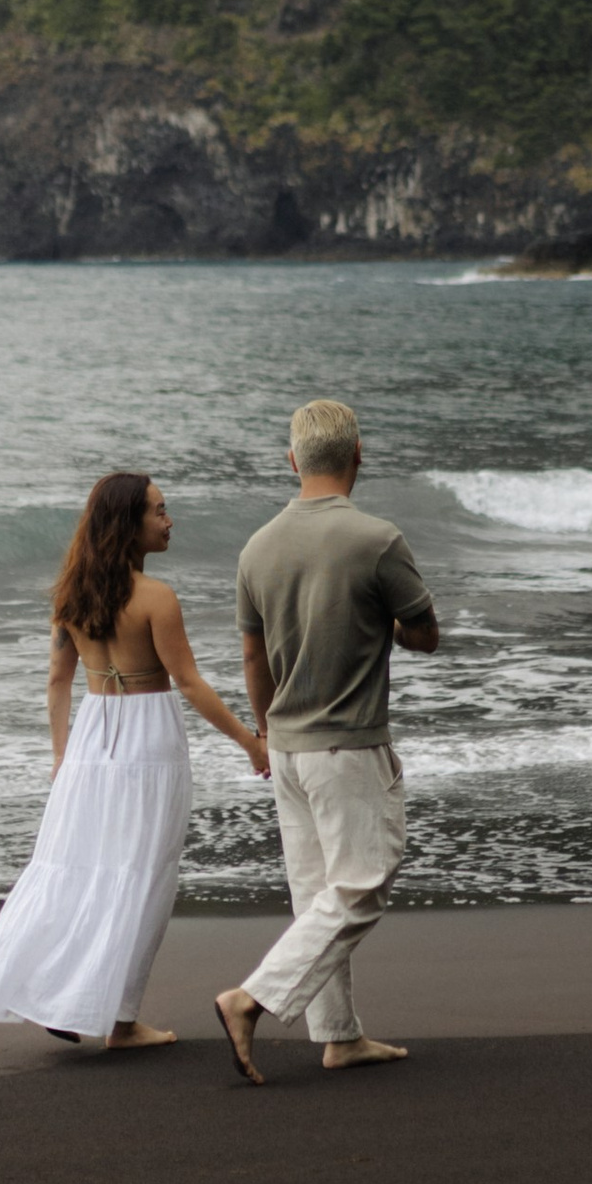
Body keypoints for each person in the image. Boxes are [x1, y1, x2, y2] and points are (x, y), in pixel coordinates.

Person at [0, 469, 266, 1047]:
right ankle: (120, 1021)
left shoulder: (71, 595)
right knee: (142, 876)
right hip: (148, 738)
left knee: (77, 870)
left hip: (90, 739)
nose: (169, 520)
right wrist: (250, 742)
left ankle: (56, 990)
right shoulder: (156, 598)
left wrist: (61, 758)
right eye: (158, 511)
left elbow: (57, 681)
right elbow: (190, 683)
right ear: (128, 525)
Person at [216, 398, 439, 1084]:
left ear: (292, 462)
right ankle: (251, 998)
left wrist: (263, 731)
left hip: (284, 742)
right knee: (363, 883)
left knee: (318, 893)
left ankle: (338, 1036)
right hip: (347, 744)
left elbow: (254, 659)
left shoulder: (257, 547)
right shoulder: (376, 539)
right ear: (358, 457)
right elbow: (424, 634)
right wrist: (386, 627)